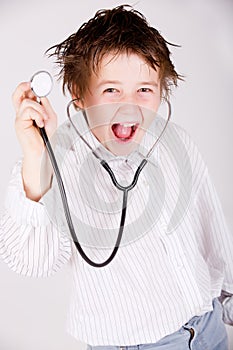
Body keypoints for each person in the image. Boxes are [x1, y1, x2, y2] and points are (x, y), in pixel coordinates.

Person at [0, 5, 232, 350]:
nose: (131, 105)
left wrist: (226, 301)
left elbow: (210, 229)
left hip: (209, 327)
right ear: (79, 99)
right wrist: (38, 156)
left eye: (144, 90)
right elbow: (33, 260)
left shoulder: (176, 143)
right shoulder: (61, 164)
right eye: (111, 91)